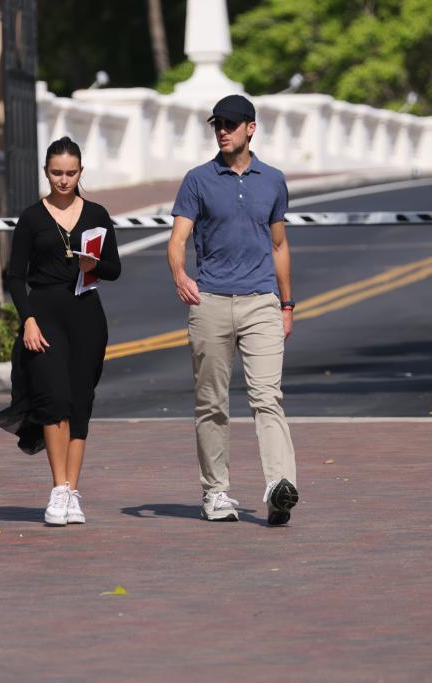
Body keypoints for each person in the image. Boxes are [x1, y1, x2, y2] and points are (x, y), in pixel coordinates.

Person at [167, 94, 300, 526]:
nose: (222, 130)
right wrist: (180, 276)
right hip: (210, 302)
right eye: (216, 124)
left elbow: (279, 245)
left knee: (267, 398)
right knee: (212, 402)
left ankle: (280, 487)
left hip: (261, 301)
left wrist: (286, 303)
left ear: (250, 128)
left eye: (230, 123)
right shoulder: (198, 180)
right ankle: (215, 491)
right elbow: (178, 239)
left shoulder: (273, 180)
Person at [0, 136, 121, 526]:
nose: (63, 180)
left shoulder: (97, 213)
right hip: (44, 317)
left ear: (80, 172)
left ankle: (74, 493)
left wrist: (92, 267)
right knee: (53, 400)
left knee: (80, 402)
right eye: (56, 173)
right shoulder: (32, 217)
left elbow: (115, 269)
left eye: (70, 173)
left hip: (86, 318)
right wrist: (27, 319)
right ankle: (58, 488)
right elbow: (15, 277)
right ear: (46, 173)